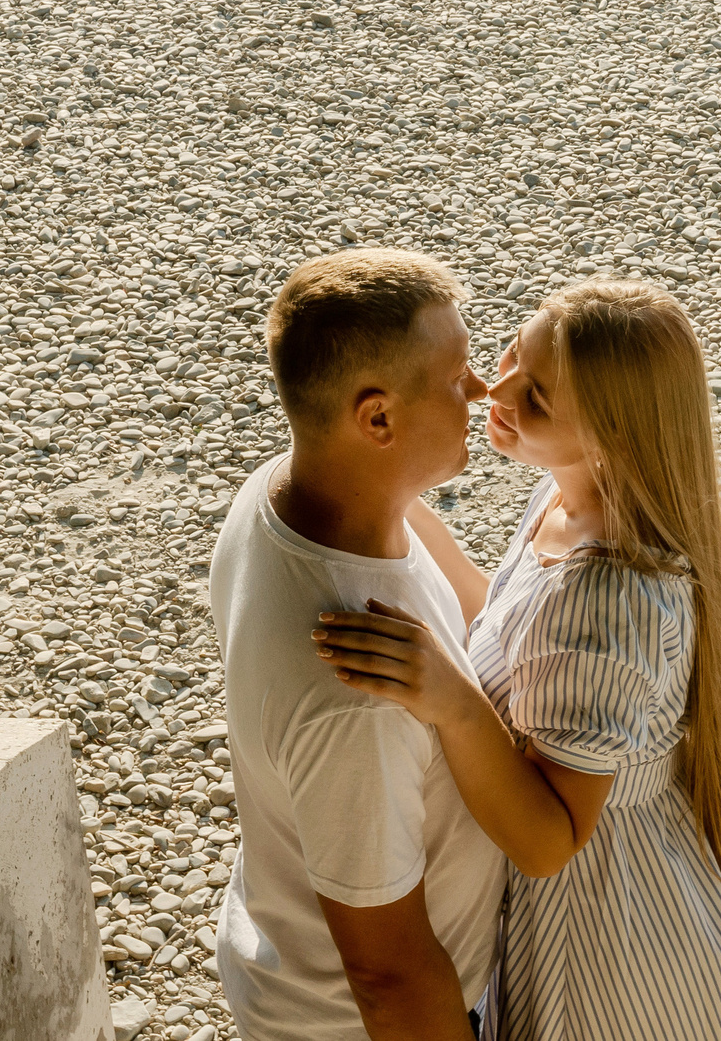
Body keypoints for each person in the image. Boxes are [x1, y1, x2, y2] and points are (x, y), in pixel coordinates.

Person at [314, 280, 721, 1041]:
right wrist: (383, 487)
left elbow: (546, 841)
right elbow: (498, 618)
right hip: (637, 924)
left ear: (613, 437)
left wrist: (452, 700)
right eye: (510, 356)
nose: (494, 389)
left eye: (534, 397)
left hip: (622, 969)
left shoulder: (605, 597)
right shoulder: (568, 499)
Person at [208, 249, 506, 1041]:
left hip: (281, 960)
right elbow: (388, 973)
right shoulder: (360, 684)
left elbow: (476, 601)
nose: (479, 389)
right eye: (456, 376)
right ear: (377, 417)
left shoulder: (288, 490)